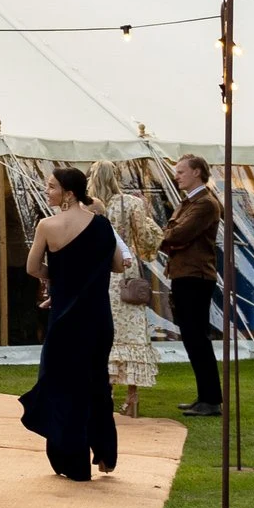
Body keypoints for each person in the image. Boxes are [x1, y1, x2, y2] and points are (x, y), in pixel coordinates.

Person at [20, 167, 123, 480]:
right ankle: (105, 453)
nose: (47, 191)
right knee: (97, 384)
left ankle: (73, 462)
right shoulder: (102, 225)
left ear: (68, 192)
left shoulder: (48, 226)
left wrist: (60, 279)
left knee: (65, 387)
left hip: (66, 320)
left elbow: (32, 267)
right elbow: (118, 265)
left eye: (51, 187)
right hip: (99, 319)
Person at [92, 159, 164, 416]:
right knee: (132, 330)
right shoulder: (131, 203)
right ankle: (132, 396)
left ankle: (105, 392)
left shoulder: (87, 206)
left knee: (102, 330)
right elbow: (147, 240)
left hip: (98, 270)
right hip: (125, 268)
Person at [157, 154, 226, 417]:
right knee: (192, 338)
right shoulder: (189, 202)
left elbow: (177, 234)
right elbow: (172, 236)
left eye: (181, 171)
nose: (177, 176)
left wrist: (169, 238)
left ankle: (211, 400)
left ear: (197, 172)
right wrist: (170, 239)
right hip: (185, 274)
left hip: (195, 276)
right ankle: (206, 396)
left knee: (197, 338)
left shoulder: (205, 204)